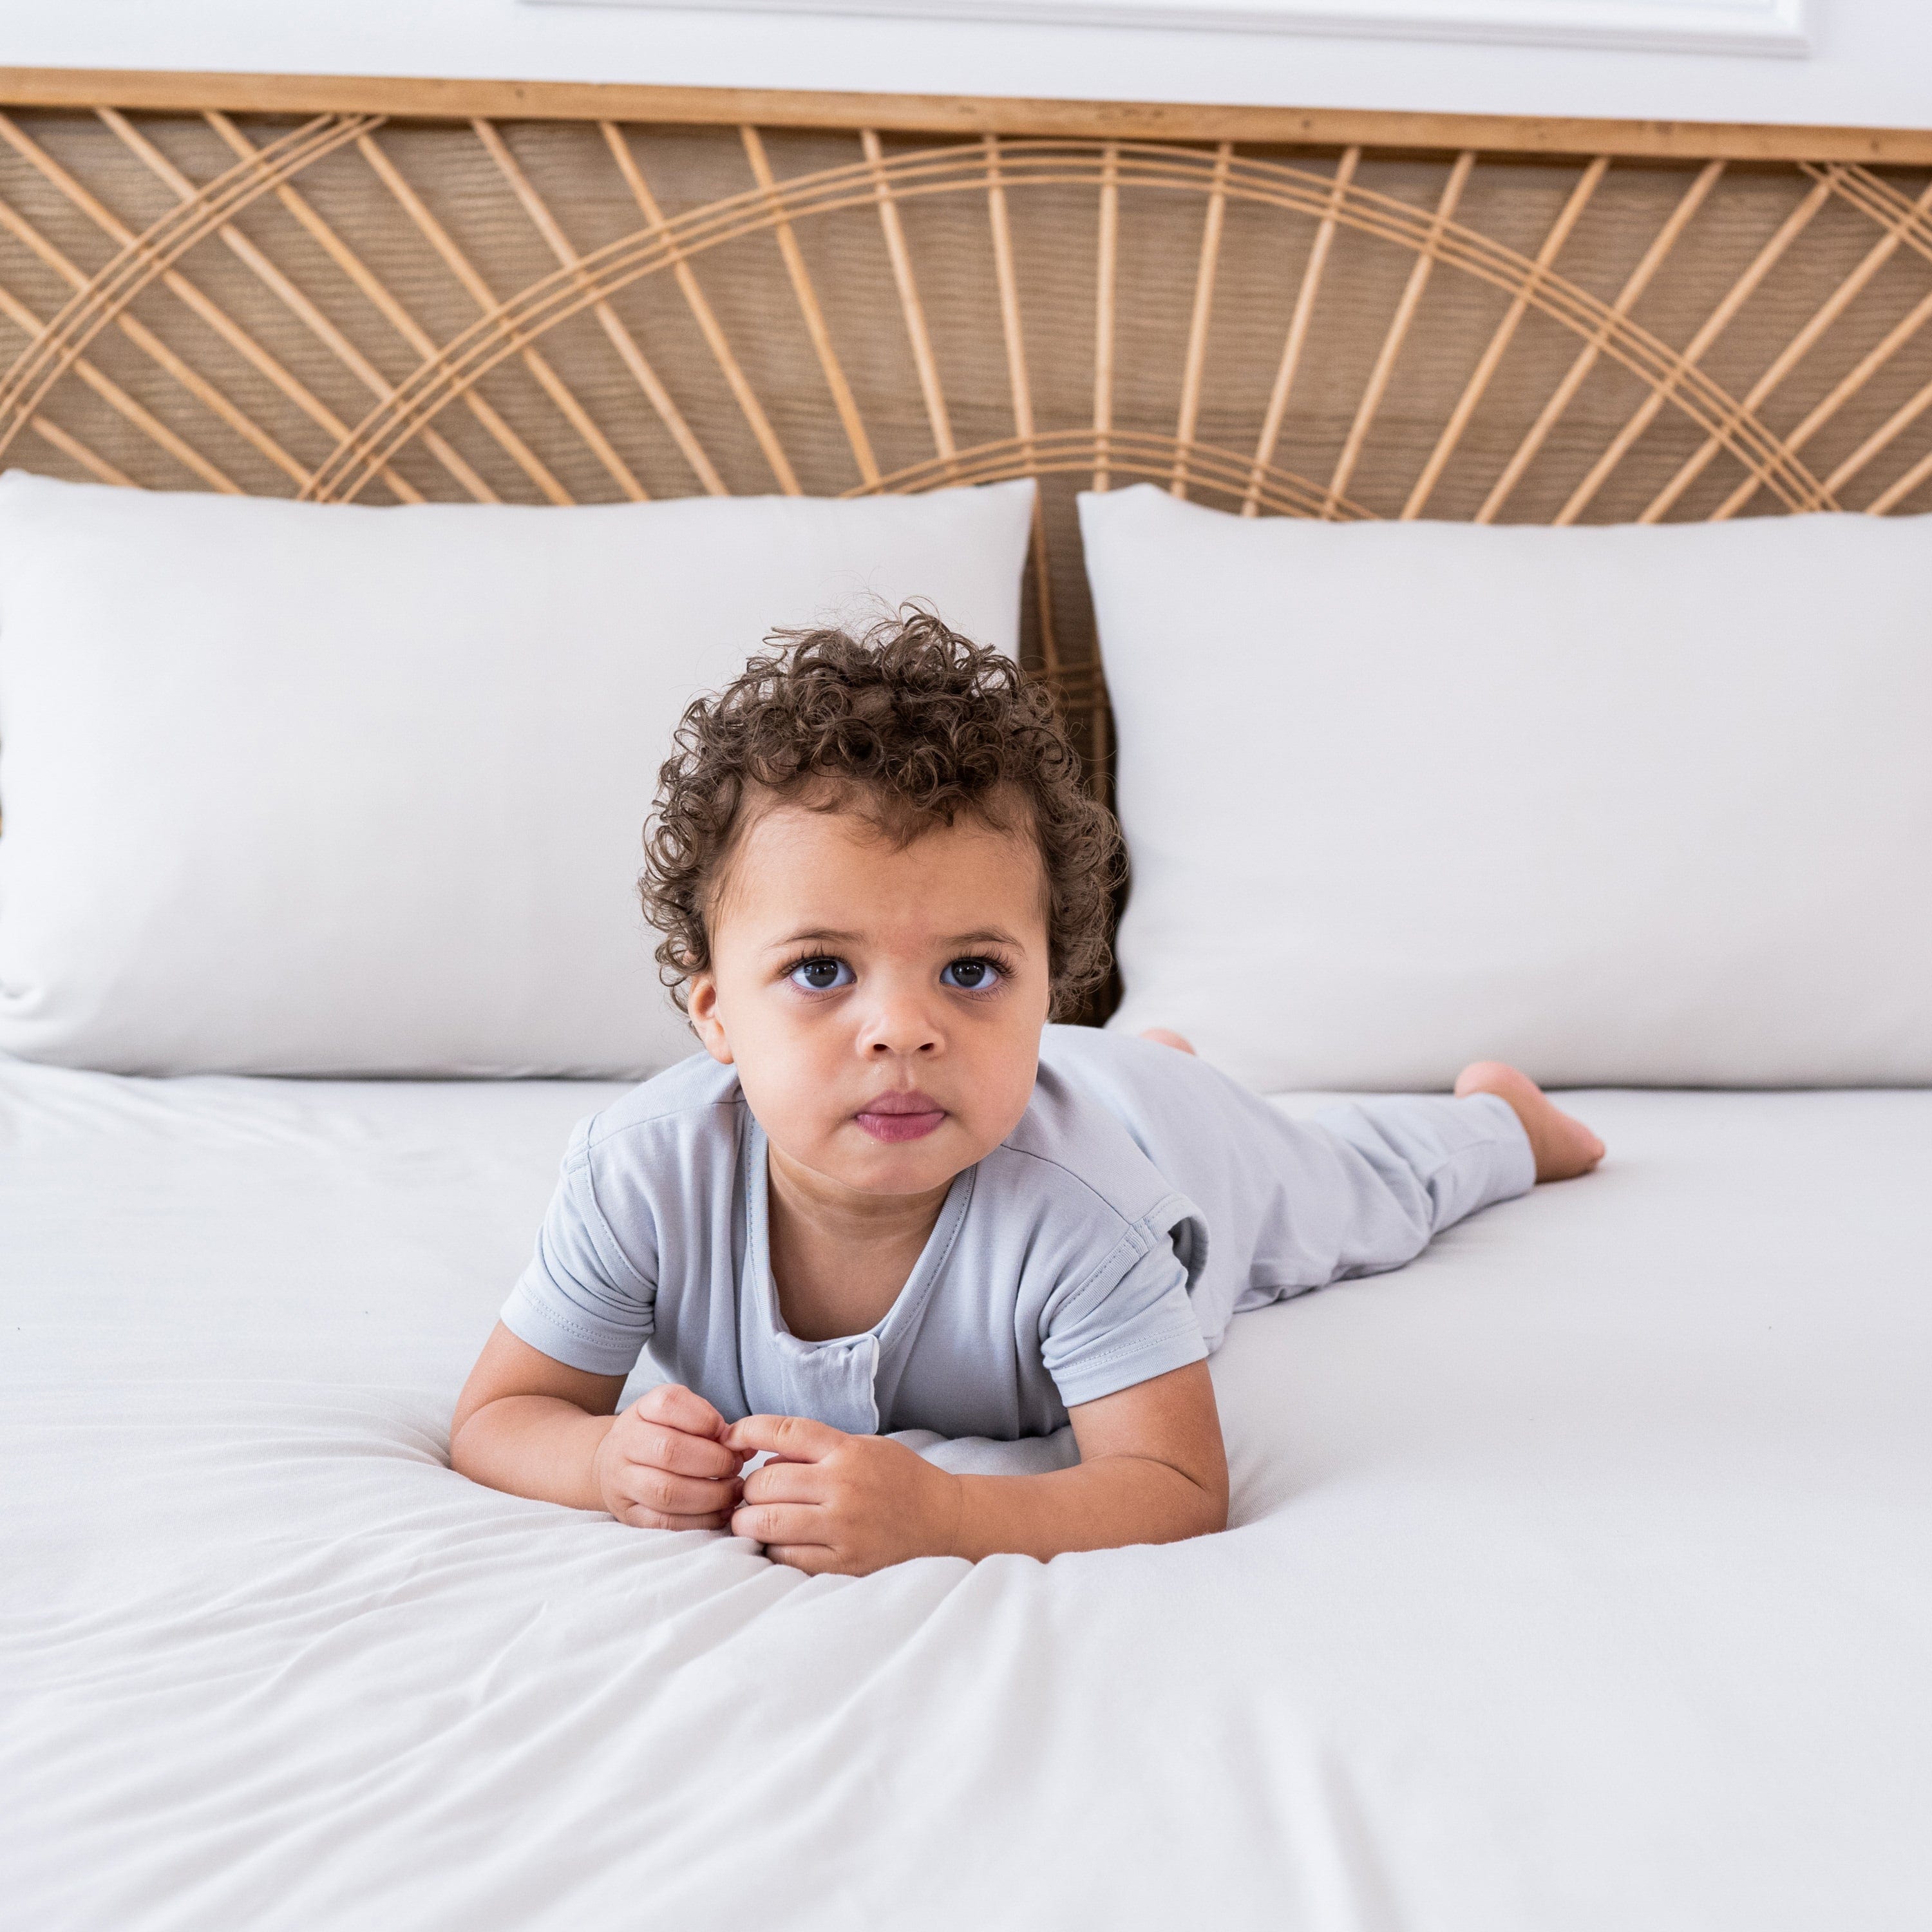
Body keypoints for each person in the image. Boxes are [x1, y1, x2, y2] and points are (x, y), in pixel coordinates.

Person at [450, 612, 1604, 1575]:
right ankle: (1158, 1061)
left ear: (1051, 985)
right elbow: (500, 1418)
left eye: (972, 971)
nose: (903, 1029)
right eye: (819, 972)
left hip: (1163, 1139)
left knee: (1359, 1193)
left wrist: (945, 1516)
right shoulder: (644, 1176)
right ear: (714, 1017)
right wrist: (604, 1463)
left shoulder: (1088, 1218)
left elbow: (1174, 1485)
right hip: (1084, 1092)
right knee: (1134, 1085)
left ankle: (1506, 1119)